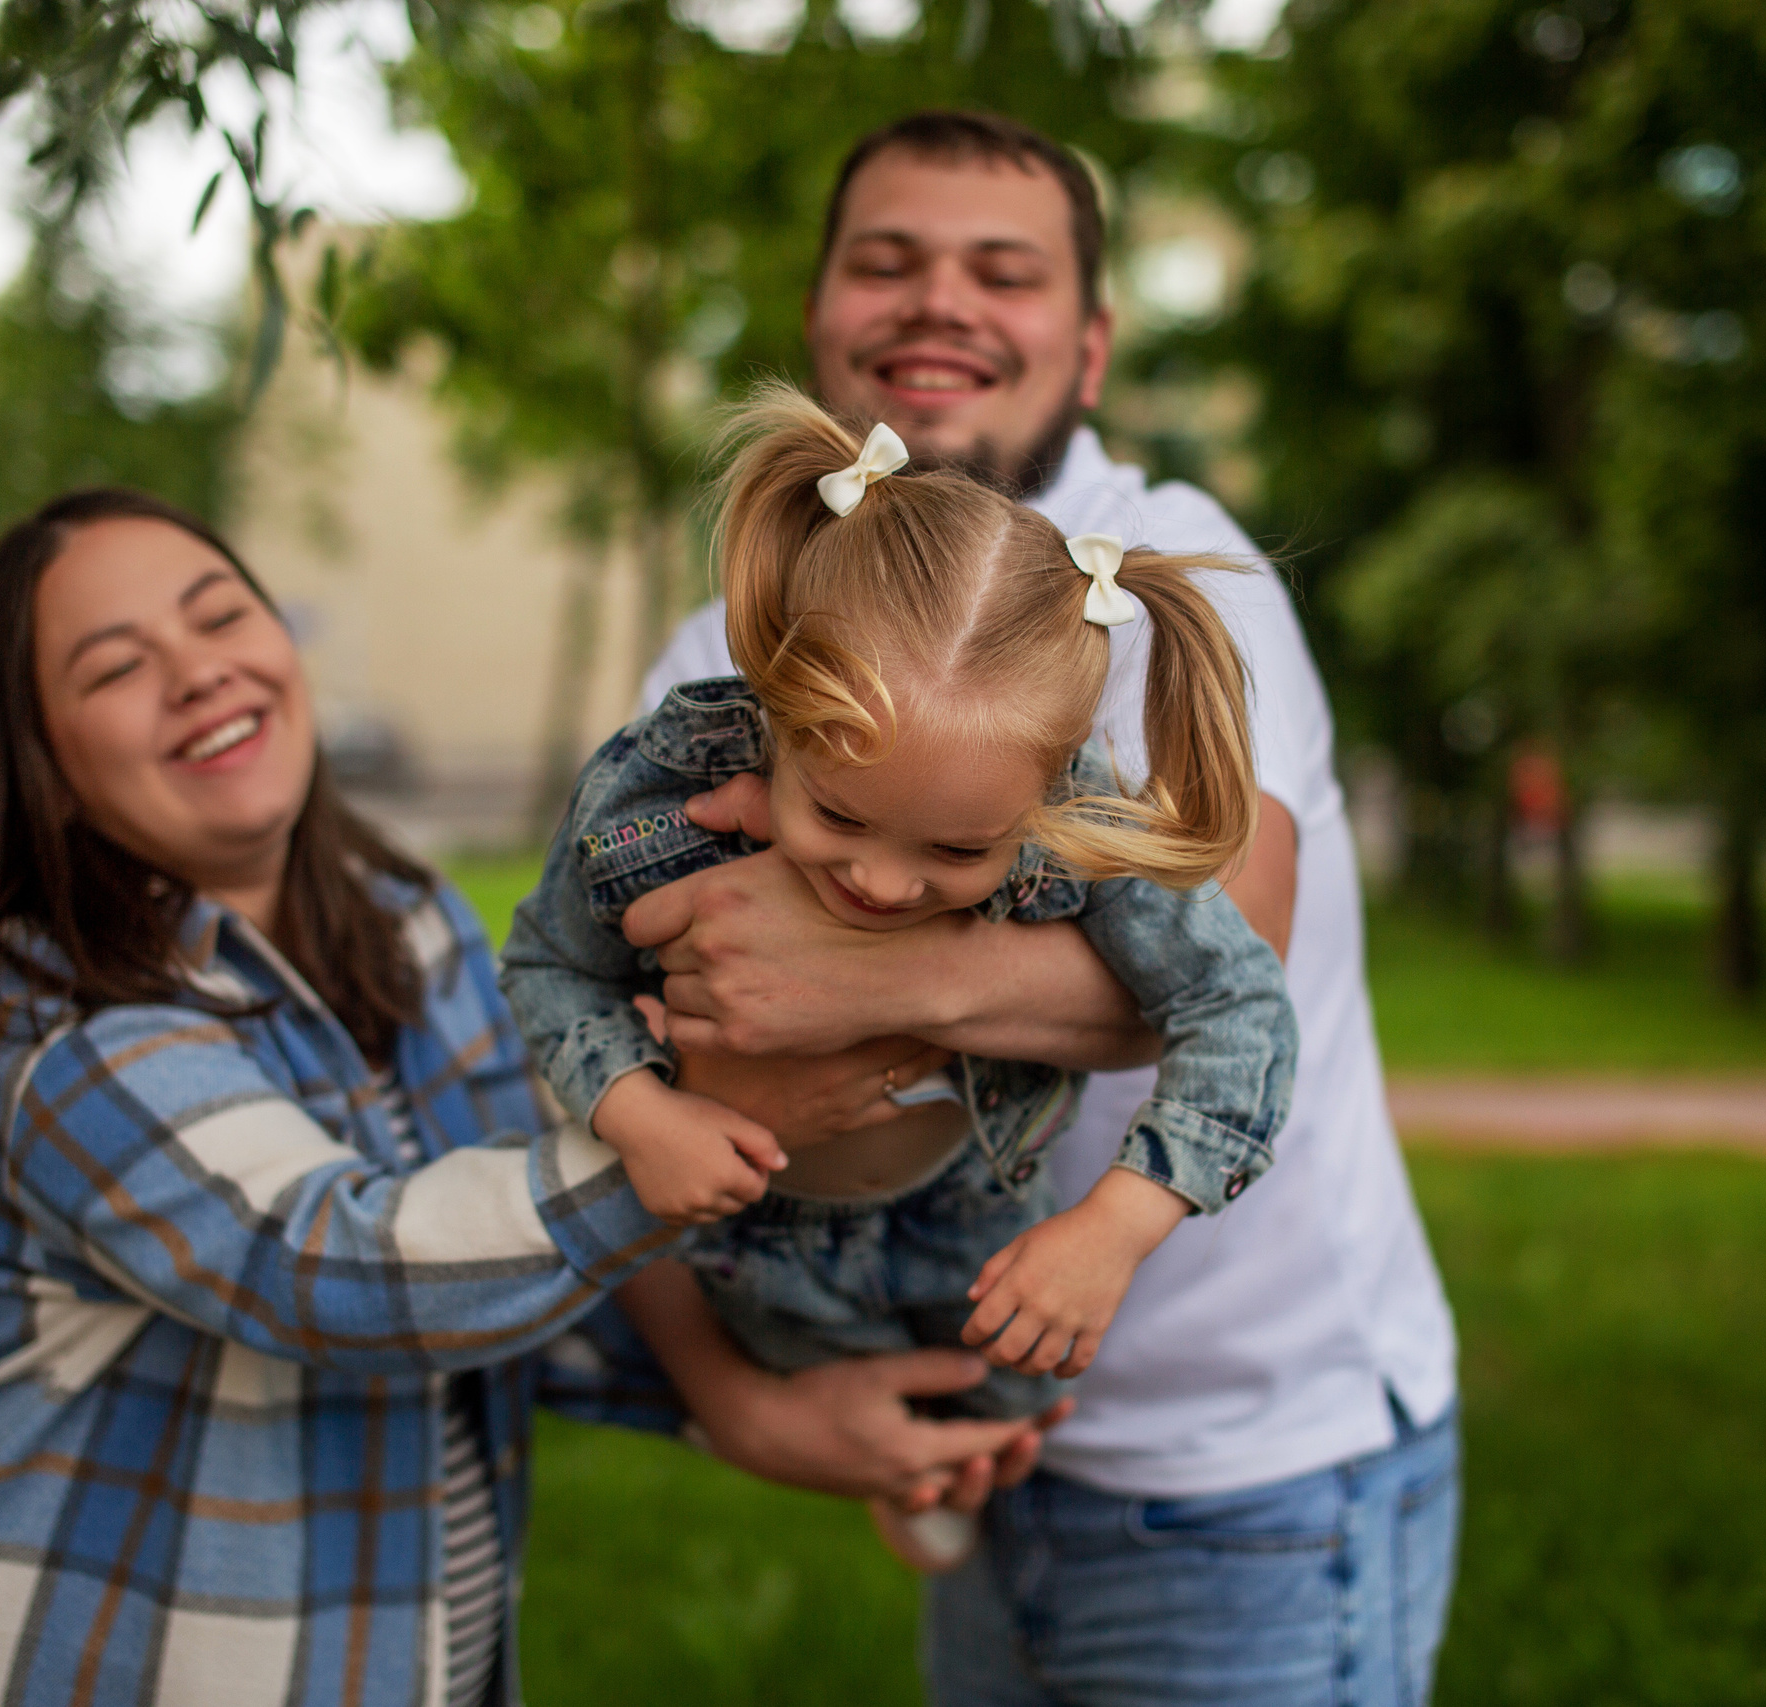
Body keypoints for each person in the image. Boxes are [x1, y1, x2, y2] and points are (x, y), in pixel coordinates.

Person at [0, 489, 1044, 1707]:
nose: (198, 667)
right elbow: (333, 1268)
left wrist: (769, 1396)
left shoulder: (408, 923)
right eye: (114, 667)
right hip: (43, 1658)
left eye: (219, 615)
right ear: (41, 761)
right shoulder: (43, 1019)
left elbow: (508, 1250)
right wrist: (700, 1109)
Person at [633, 112, 1463, 1704]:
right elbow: (600, 1037)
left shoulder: (1170, 580)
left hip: (1242, 1478)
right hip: (974, 1451)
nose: (938, 300)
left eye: (999, 272)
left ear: (1084, 352)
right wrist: (735, 1397)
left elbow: (1236, 956)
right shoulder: (720, 641)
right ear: (822, 316)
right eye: (888, 261)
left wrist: (854, 978)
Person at [502, 386, 1297, 1562]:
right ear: (775, 704)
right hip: (745, 1247)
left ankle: (950, 1472)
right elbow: (544, 965)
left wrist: (1116, 1227)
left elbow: (1239, 1008)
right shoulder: (657, 784)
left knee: (1000, 1411)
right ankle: (914, 1473)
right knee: (824, 1403)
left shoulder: (1068, 810)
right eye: (838, 814)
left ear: (1036, 796)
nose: (880, 884)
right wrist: (637, 1107)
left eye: (959, 851)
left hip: (974, 1227)